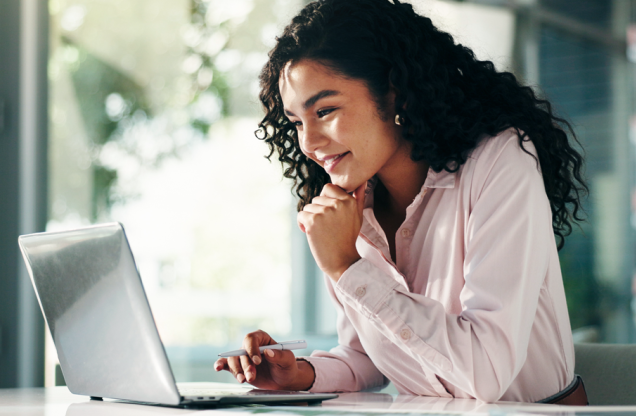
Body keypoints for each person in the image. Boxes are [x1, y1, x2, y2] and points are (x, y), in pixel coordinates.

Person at [214, 0, 587, 403]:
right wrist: (300, 375)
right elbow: (368, 357)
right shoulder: (349, 210)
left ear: (395, 95)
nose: (308, 143)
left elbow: (485, 373)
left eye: (325, 110)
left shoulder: (499, 161)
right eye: (297, 122)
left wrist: (347, 267)